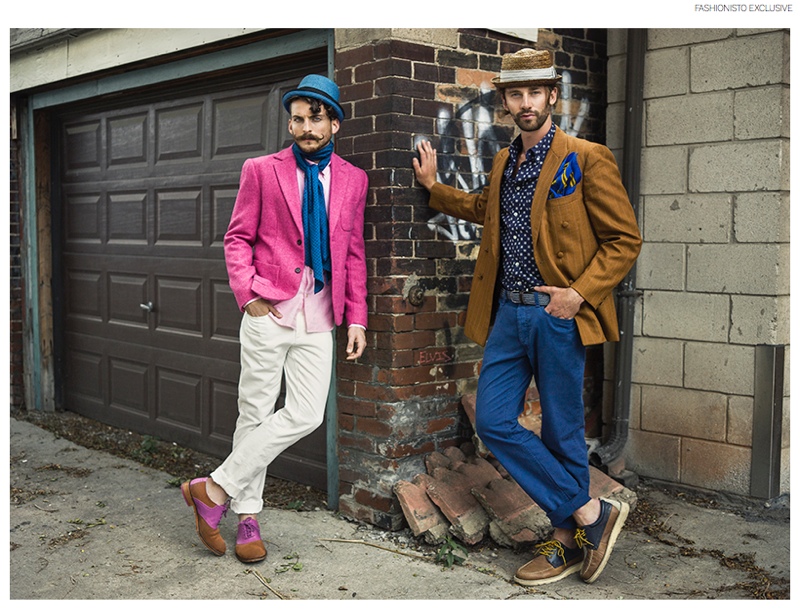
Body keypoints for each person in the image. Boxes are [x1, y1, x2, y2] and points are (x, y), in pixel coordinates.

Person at [412, 48, 641, 586]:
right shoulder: (504, 160)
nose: (526, 102)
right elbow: (481, 209)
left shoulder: (586, 156)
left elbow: (624, 239)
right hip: (508, 315)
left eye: (535, 92)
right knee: (494, 420)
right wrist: (433, 188)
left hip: (556, 315)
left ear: (552, 97)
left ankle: (567, 541)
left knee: (563, 434)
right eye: (516, 94)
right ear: (507, 102)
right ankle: (589, 513)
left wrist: (576, 295)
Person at [182, 74, 368, 563]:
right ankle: (247, 518)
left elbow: (352, 253)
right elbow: (237, 238)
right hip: (270, 307)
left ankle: (213, 490)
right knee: (255, 412)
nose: (304, 127)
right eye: (297, 118)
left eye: (315, 118)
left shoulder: (353, 179)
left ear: (335, 123)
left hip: (322, 313)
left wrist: (357, 319)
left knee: (307, 413)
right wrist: (248, 296)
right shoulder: (261, 170)